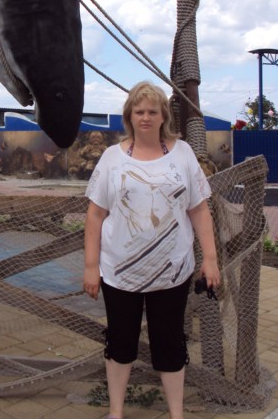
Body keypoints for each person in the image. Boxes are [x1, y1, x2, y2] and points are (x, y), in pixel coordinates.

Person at [83, 81, 221, 419]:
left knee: (170, 344)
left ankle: (176, 414)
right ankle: (116, 412)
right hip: (119, 273)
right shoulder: (112, 158)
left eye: (152, 111)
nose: (145, 117)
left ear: (163, 117)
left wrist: (210, 259)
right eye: (139, 111)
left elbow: (199, 209)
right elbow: (95, 214)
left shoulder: (183, 153)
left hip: (172, 273)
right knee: (120, 344)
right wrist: (91, 266)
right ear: (129, 115)